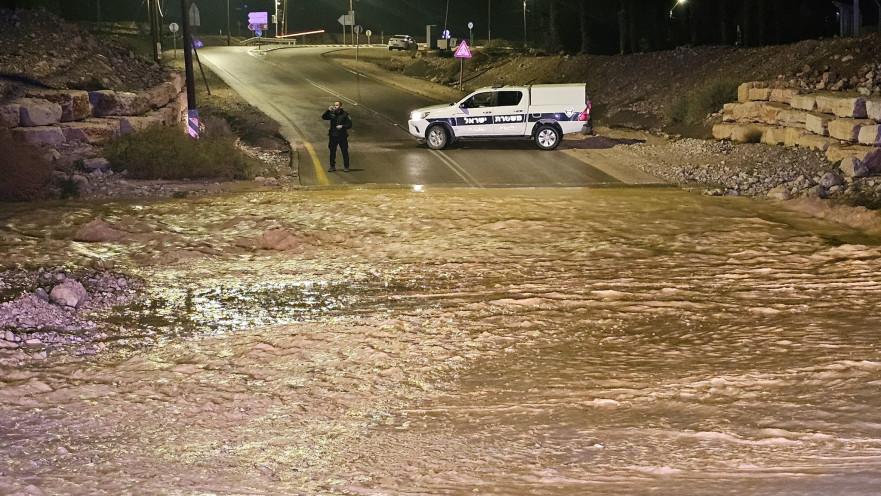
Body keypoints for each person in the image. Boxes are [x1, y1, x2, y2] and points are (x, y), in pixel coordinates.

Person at [321, 101, 353, 172]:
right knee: (332, 151)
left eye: (337, 105)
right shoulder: (332, 113)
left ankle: (346, 166)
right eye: (335, 105)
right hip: (333, 135)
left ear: (340, 106)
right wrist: (328, 110)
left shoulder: (345, 114)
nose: (335, 106)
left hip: (342, 136)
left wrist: (342, 126)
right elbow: (324, 117)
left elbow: (349, 125)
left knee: (344, 151)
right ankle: (332, 166)